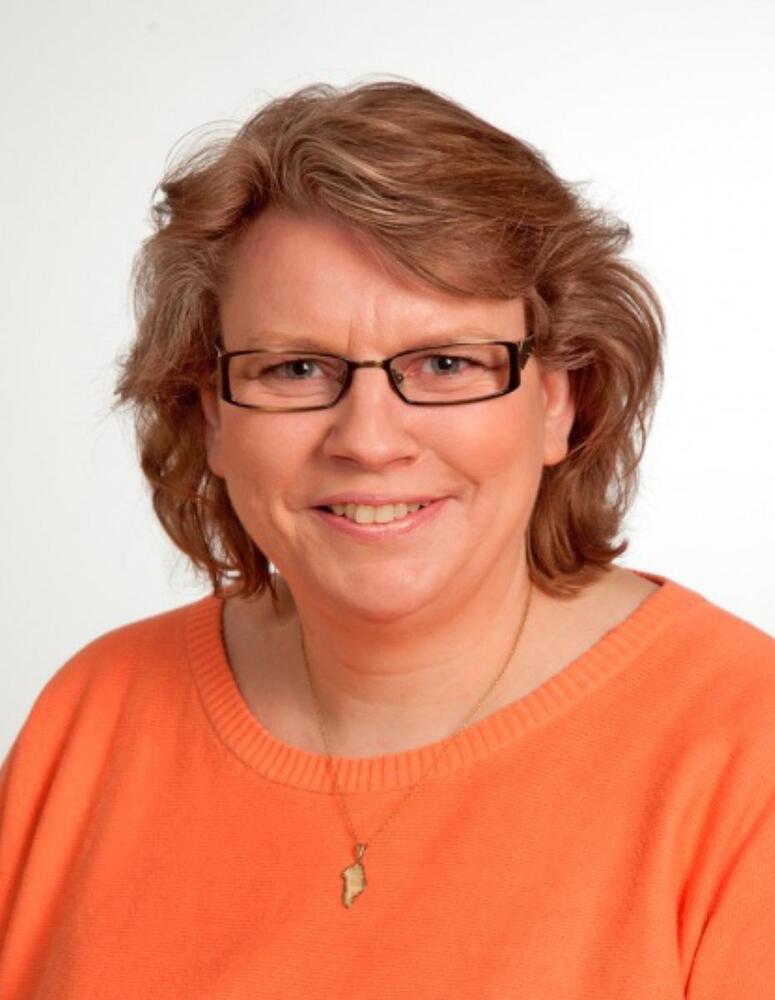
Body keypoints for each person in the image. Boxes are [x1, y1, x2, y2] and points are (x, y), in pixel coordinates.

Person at [1, 79, 773, 999]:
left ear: (557, 401)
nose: (368, 440)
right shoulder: (92, 718)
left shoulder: (745, 752)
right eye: (296, 367)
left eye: (445, 362)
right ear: (210, 417)